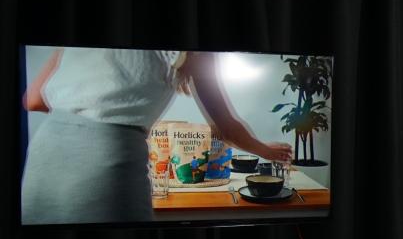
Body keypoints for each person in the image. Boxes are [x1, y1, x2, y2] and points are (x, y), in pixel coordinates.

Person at [22, 47, 292, 224]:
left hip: (43, 156)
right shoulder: (191, 47)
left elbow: (33, 99)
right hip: (106, 159)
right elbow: (226, 128)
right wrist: (267, 151)